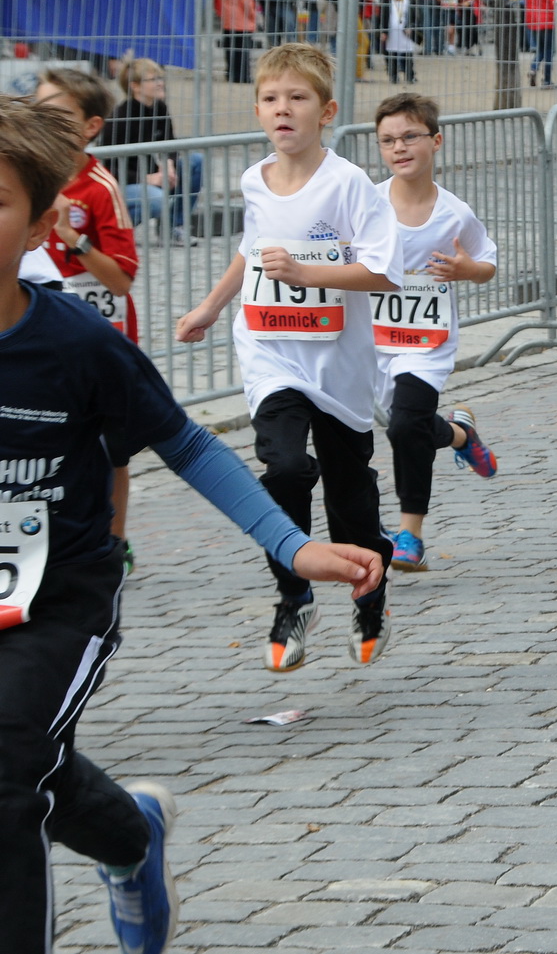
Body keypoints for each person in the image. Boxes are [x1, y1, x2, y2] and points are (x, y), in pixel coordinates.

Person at [0, 94, 387, 954]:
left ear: (35, 228)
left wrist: (294, 544)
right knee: (20, 754)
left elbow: (185, 443)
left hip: (57, 597)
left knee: (4, 764)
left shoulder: (74, 344)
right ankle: (132, 834)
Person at [175, 44, 403, 671]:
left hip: (338, 366)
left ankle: (371, 598)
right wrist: (212, 306)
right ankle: (293, 595)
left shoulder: (348, 183)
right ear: (257, 109)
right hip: (271, 349)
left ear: (326, 110)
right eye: (272, 99)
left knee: (350, 502)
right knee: (281, 469)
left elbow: (384, 273)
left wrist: (308, 271)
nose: (284, 109)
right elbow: (251, 251)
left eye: (298, 98)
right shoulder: (254, 179)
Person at [370, 94, 500, 573]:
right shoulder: (368, 203)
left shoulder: (453, 213)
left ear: (436, 141)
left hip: (426, 343)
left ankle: (410, 535)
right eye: (387, 141)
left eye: (409, 136)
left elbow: (486, 263)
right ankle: (461, 435)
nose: (399, 148)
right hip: (372, 341)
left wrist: (467, 268)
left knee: (405, 426)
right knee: (407, 426)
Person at [35, 69, 142, 572]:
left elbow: (121, 280)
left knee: (108, 444)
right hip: (39, 326)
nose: (45, 122)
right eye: (39, 110)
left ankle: (114, 542)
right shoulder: (30, 175)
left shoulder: (99, 186)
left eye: (58, 114)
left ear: (91, 126)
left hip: (100, 328)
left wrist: (70, 236)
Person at [103, 58, 201, 242]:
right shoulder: (119, 118)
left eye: (160, 78)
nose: (160, 83)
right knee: (156, 199)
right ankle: (114, 236)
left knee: (195, 161)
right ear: (135, 86)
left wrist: (169, 164)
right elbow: (107, 168)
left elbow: (170, 142)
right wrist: (146, 179)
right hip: (124, 182)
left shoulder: (159, 107)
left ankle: (172, 228)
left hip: (149, 173)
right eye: (153, 79)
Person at [384, 0, 417, 85]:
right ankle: (393, 76)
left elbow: (414, 17)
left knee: (407, 54)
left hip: (405, 33)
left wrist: (411, 27)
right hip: (392, 33)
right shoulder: (389, 3)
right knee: (392, 54)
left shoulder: (408, 3)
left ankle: (410, 76)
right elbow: (383, 18)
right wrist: (383, 32)